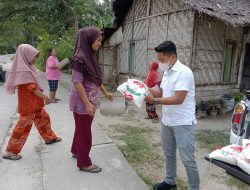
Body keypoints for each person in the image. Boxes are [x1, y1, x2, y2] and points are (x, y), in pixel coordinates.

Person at [146, 41, 200, 190]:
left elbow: (178, 98)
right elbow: (162, 92)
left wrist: (154, 101)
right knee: (169, 153)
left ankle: (194, 188)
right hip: (167, 121)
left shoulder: (184, 72)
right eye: (159, 60)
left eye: (162, 60)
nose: (160, 63)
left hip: (183, 123)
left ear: (172, 57)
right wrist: (145, 89)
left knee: (188, 159)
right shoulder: (167, 72)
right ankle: (170, 181)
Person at [2, 44, 61, 160]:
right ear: (26, 56)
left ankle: (49, 137)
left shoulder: (28, 68)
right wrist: (46, 97)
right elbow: (32, 88)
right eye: (34, 57)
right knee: (23, 128)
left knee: (44, 118)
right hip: (28, 106)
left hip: (34, 104)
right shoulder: (23, 71)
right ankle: (10, 151)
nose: (35, 59)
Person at [69, 27, 113, 173]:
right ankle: (84, 162)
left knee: (81, 129)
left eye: (101, 41)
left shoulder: (90, 56)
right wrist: (87, 103)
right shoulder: (79, 58)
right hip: (82, 102)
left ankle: (76, 151)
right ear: (89, 39)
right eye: (98, 40)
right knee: (85, 132)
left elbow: (96, 79)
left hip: (89, 101)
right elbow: (77, 82)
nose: (100, 44)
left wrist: (106, 93)